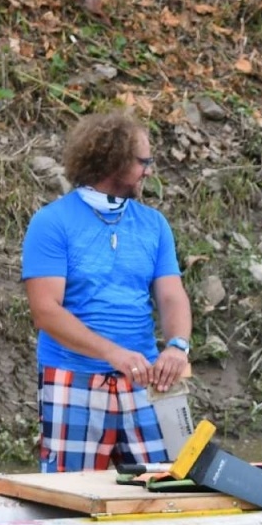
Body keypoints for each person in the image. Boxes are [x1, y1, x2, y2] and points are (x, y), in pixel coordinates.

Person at [21, 110, 193, 472]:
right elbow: (45, 311)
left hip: (145, 380)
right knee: (72, 499)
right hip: (73, 379)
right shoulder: (52, 223)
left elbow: (171, 295)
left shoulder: (154, 224)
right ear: (113, 162)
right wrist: (113, 353)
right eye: (142, 162)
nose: (149, 170)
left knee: (168, 488)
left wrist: (177, 347)